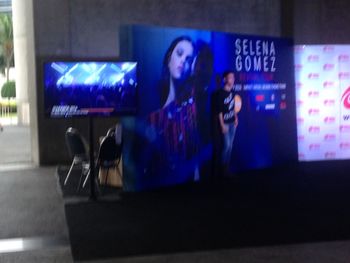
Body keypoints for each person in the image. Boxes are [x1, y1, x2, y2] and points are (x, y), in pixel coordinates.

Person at [214, 71, 239, 177]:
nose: (232, 80)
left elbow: (233, 106)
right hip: (225, 124)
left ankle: (226, 167)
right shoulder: (220, 93)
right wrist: (222, 124)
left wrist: (236, 117)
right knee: (226, 145)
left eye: (233, 78)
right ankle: (222, 169)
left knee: (231, 146)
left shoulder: (232, 92)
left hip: (232, 122)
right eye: (230, 78)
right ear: (224, 79)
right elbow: (219, 110)